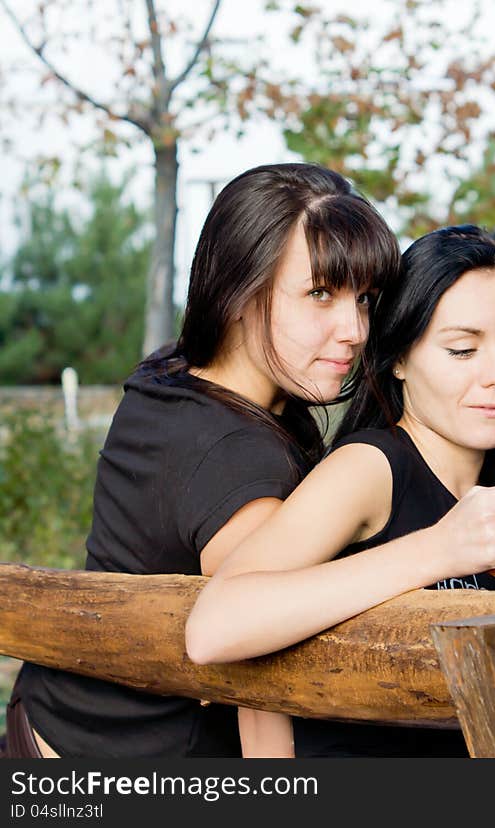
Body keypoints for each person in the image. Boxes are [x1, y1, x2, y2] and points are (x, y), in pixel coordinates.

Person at [185, 224, 495, 757]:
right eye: (462, 350)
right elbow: (214, 627)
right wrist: (438, 549)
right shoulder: (369, 468)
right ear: (399, 358)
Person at [4, 161, 402, 759]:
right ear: (241, 290)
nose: (353, 328)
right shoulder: (233, 456)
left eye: (365, 299)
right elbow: (255, 648)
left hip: (53, 718)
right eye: (320, 294)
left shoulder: (176, 377)